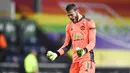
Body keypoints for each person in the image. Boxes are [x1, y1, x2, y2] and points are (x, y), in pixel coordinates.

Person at [46, 4, 96, 73]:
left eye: (71, 14)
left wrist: (83, 51)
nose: (70, 17)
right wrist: (56, 54)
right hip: (75, 61)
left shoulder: (89, 22)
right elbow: (66, 45)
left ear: (77, 11)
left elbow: (92, 43)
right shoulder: (69, 26)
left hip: (87, 59)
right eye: (68, 15)